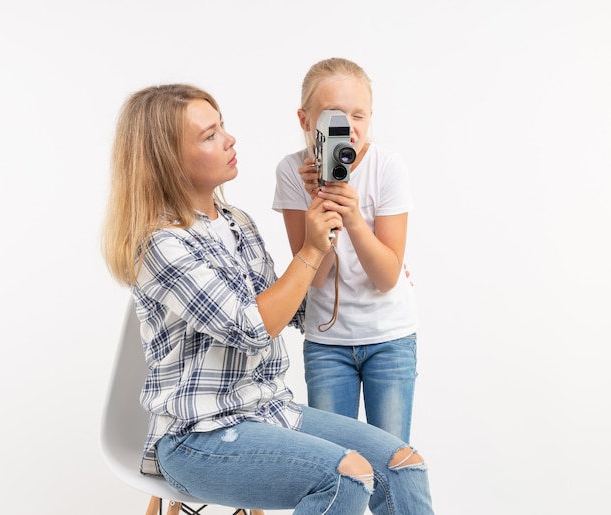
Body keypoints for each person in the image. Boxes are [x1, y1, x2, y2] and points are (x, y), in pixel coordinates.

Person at [102, 83, 433, 514]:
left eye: (222, 127)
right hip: (198, 437)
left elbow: (290, 308)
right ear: (168, 160)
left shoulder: (238, 223)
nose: (230, 139)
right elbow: (251, 327)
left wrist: (364, 270)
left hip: (271, 410)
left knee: (403, 465)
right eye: (209, 135)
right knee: (344, 477)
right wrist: (310, 252)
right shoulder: (161, 244)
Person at [273, 57, 420, 443]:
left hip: (389, 338)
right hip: (328, 342)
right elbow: (315, 277)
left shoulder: (387, 167)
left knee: (390, 460)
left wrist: (352, 215)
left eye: (359, 116)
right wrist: (317, 204)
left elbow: (388, 277)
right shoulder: (292, 171)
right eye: (334, 117)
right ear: (306, 121)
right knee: (334, 465)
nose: (349, 128)